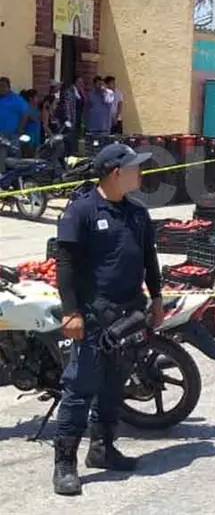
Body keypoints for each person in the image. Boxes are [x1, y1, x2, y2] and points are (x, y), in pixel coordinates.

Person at [51, 142, 164, 496]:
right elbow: (65, 264)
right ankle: (65, 464)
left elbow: (149, 256)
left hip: (129, 313)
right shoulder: (81, 211)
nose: (140, 172)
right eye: (135, 167)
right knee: (81, 386)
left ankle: (102, 449)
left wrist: (156, 297)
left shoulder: (137, 212)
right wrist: (71, 311)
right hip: (93, 315)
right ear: (116, 172)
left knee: (114, 384)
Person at [0, 76, 29, 141]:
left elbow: (25, 115)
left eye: (4, 86)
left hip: (12, 134)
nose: (1, 88)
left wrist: (20, 129)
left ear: (9, 87)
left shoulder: (17, 99)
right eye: (0, 86)